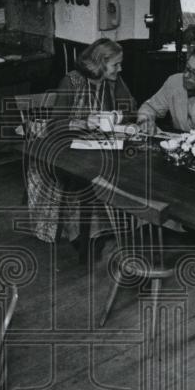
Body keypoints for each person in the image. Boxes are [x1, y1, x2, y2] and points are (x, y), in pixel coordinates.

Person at [27, 38, 136, 244]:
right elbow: (55, 125)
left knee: (118, 168)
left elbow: (131, 108)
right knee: (89, 174)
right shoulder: (71, 81)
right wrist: (84, 122)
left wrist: (117, 116)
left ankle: (110, 227)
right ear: (101, 63)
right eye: (116, 64)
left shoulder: (114, 81)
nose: (120, 69)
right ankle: (84, 233)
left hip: (97, 147)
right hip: (66, 149)